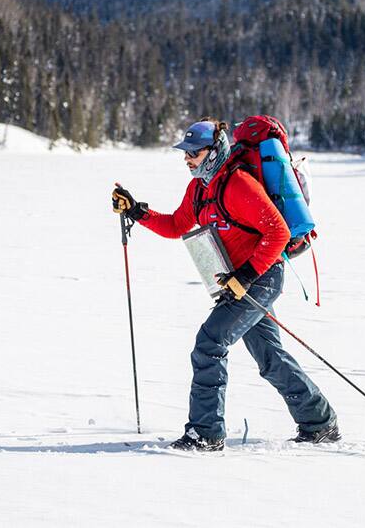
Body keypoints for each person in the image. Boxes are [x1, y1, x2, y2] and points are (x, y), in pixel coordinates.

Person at [111, 118, 338, 451]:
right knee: (270, 356)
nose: (187, 158)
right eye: (185, 153)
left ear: (214, 150)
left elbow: (279, 233)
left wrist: (245, 277)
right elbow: (176, 225)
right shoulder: (200, 188)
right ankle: (320, 422)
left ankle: (206, 433)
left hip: (260, 277)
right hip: (239, 280)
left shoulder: (239, 184)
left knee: (209, 344)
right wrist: (137, 211)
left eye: (194, 152)